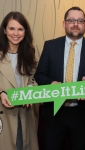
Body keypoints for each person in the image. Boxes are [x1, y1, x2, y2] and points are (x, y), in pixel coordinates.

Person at [34, 6, 85, 150]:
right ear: (64, 23)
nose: (75, 24)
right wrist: (50, 83)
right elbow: (39, 75)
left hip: (82, 115)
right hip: (54, 113)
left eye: (80, 20)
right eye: (71, 20)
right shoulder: (50, 45)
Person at [0, 12, 39, 150]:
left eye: (20, 29)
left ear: (25, 32)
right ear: (4, 30)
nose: (15, 33)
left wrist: (30, 88)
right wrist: (1, 93)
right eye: (11, 28)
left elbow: (33, 79)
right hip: (3, 116)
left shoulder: (30, 53)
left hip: (25, 115)